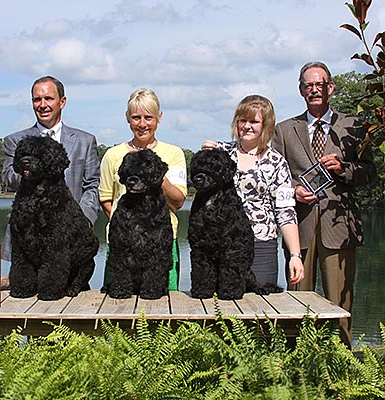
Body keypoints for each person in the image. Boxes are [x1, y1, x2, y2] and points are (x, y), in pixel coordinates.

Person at [271, 61, 377, 347]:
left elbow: (370, 173)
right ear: (301, 90)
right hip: (299, 229)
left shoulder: (354, 126)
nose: (314, 90)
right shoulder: (284, 129)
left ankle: (342, 366)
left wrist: (343, 168)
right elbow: (275, 177)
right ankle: (295, 367)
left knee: (340, 305)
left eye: (320, 84)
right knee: (296, 304)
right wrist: (293, 192)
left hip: (340, 228)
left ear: (330, 87)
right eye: (308, 85)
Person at [202, 95, 304, 288]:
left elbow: (286, 212)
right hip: (220, 245)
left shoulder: (277, 163)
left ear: (266, 125)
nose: (247, 126)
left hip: (261, 247)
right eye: (242, 120)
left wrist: (295, 255)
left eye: (254, 121)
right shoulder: (220, 153)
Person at [1, 76, 100, 260]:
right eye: (37, 99)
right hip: (26, 240)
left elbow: (92, 186)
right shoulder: (14, 140)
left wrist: (82, 222)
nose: (43, 104)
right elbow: (8, 176)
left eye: (48, 99)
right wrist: (31, 170)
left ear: (62, 102)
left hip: (69, 239)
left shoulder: (85, 141)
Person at [99, 88, 187, 290]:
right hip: (121, 246)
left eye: (148, 117)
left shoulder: (173, 154)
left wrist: (156, 172)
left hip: (163, 242)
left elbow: (178, 202)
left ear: (159, 117)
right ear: (128, 119)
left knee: (162, 311)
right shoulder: (112, 155)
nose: (142, 124)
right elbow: (105, 199)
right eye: (136, 117)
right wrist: (126, 228)